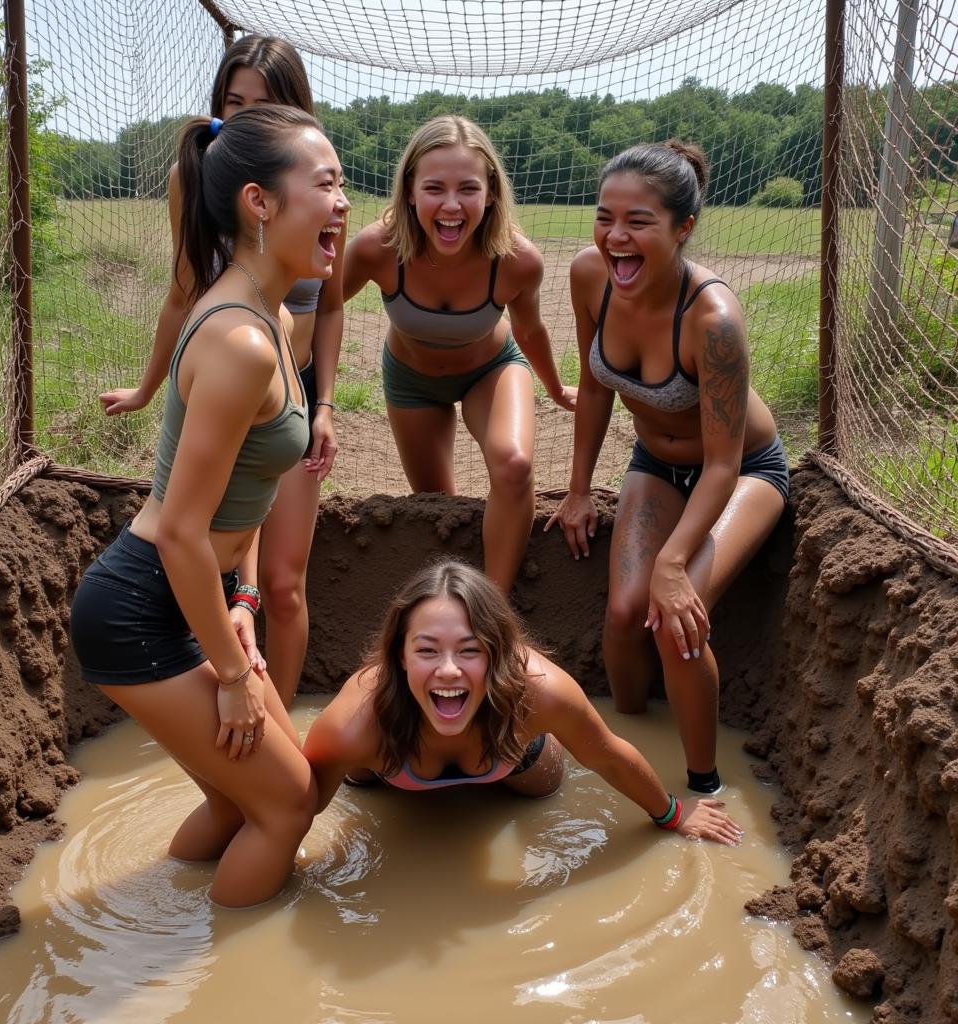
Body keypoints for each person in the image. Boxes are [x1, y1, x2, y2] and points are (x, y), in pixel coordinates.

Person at [71, 106, 351, 907]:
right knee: (289, 801)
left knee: (245, 800)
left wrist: (244, 602)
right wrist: (231, 673)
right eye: (325, 184)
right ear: (260, 203)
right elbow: (185, 530)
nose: (343, 203)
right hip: (140, 607)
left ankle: (158, 919)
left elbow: (249, 499)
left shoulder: (276, 317)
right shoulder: (241, 342)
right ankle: (224, 978)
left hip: (199, 596)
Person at [100, 35, 342, 706]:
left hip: (290, 401)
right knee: (202, 541)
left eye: (265, 106)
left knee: (281, 588)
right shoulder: (202, 188)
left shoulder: (318, 192)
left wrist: (323, 406)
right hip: (231, 394)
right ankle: (245, 711)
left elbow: (332, 305)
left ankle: (280, 725)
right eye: (234, 103)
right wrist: (150, 388)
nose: (244, 119)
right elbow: (182, 292)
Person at [545, 141, 789, 795]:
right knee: (624, 615)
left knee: (675, 618)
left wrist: (675, 566)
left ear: (683, 228)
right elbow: (595, 387)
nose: (616, 238)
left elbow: (722, 461)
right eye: (605, 217)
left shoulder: (713, 322)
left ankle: (704, 783)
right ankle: (628, 751)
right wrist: (575, 490)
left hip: (741, 473)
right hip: (655, 460)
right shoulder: (588, 276)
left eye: (638, 222)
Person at [302, 560, 741, 847]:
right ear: (400, 655)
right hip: (388, 760)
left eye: (470, 650)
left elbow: (606, 756)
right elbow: (292, 810)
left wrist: (674, 815)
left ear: (499, 652)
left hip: (512, 758)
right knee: (354, 773)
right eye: (428, 650)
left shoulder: (541, 692)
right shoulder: (355, 721)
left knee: (545, 789)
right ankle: (369, 771)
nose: (450, 670)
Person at [344, 115, 576, 595]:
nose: (451, 205)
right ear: (410, 191)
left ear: (490, 192)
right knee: (435, 505)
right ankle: (451, 599)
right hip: (411, 381)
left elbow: (530, 329)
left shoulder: (517, 260)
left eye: (468, 188)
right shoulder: (377, 248)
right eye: (435, 188)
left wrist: (554, 387)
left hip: (490, 370)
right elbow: (320, 308)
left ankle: (495, 605)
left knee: (513, 465)